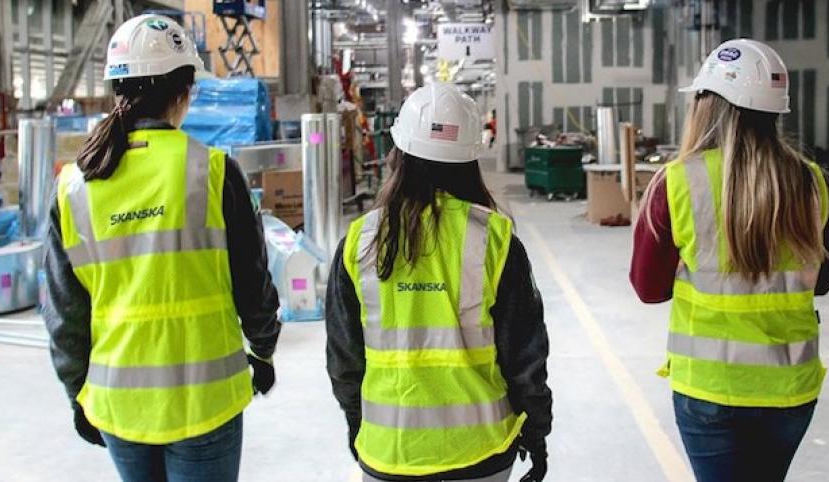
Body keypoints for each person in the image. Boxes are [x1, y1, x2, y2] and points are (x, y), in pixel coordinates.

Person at [42, 15, 281, 482]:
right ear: (186, 89)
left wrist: (78, 393)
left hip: (120, 404)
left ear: (117, 88)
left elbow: (65, 312)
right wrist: (264, 349)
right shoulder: (213, 172)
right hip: (204, 400)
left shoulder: (73, 187)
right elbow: (252, 283)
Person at [630, 39, 829, 482]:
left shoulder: (676, 183)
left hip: (710, 390)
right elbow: (821, 280)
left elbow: (648, 289)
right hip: (789, 388)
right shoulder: (811, 181)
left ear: (707, 105)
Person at [326, 83, 552, 482]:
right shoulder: (495, 239)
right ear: (470, 159)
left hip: (389, 454)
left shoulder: (359, 242)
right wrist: (535, 432)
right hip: (481, 451)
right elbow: (525, 356)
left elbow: (345, 361)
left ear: (399, 154)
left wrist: (358, 427)